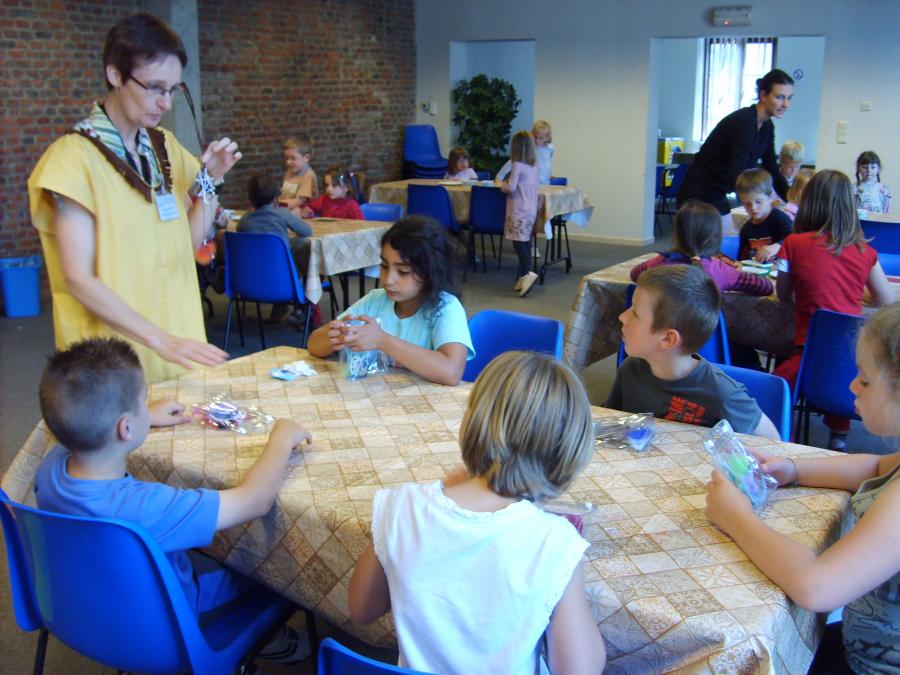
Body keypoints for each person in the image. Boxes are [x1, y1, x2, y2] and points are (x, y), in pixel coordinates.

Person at [33, 337, 313, 662]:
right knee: (271, 565)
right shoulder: (147, 506)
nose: (146, 404)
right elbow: (254, 501)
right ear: (125, 427)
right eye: (143, 400)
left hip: (78, 602)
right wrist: (281, 438)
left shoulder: (51, 465)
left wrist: (144, 417)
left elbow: (94, 434)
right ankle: (272, 639)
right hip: (170, 627)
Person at [347, 351, 606, 675]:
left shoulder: (401, 505)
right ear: (569, 452)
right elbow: (580, 671)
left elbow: (361, 608)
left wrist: (441, 486)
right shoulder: (554, 542)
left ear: (471, 421)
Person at [27, 12, 236, 383]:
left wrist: (212, 180)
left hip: (178, 342)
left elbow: (187, 241)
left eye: (173, 90)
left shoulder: (165, 148)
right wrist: (160, 339)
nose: (166, 103)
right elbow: (78, 278)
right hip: (112, 361)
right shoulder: (72, 159)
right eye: (155, 87)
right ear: (115, 75)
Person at [706, 303, 900, 675]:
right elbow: (875, 466)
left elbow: (817, 587)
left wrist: (738, 518)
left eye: (865, 379)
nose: (851, 385)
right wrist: (792, 470)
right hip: (863, 640)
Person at [773, 169, 893, 450]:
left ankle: (782, 437)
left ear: (809, 203)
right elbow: (887, 300)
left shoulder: (792, 244)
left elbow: (782, 294)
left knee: (776, 386)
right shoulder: (864, 250)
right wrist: (858, 292)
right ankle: (838, 434)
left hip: (807, 355)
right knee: (837, 365)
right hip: (850, 358)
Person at [597, 265, 780, 439]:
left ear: (668, 339)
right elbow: (613, 425)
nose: (622, 316)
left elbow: (773, 441)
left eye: (635, 313)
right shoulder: (631, 369)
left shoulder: (722, 394)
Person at [307, 216, 474, 386]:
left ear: (431, 272)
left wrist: (383, 340)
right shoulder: (376, 300)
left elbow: (451, 372)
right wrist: (335, 335)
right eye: (384, 266)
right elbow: (313, 344)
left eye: (403, 271)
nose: (388, 280)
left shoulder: (445, 308)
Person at [677, 69, 794, 234]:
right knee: (703, 250)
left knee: (723, 245)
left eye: (789, 98)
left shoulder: (767, 127)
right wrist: (763, 201)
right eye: (779, 97)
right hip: (697, 193)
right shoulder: (744, 122)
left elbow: (772, 170)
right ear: (763, 95)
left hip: (717, 194)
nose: (786, 104)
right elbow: (737, 174)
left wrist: (792, 202)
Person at [631, 200, 774, 296]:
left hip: (662, 337)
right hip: (706, 339)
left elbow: (635, 274)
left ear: (678, 234)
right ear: (715, 237)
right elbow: (765, 287)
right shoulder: (719, 269)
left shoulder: (660, 262)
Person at [237, 173, 314, 325]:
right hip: (285, 280)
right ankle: (301, 306)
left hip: (250, 282)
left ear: (251, 199)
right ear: (276, 197)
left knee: (275, 256)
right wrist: (295, 217)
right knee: (303, 250)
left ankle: (280, 305)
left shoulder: (244, 221)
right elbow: (306, 232)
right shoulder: (283, 215)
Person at [500, 130, 540, 297]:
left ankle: (527, 273)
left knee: (518, 244)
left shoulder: (517, 166)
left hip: (518, 209)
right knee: (524, 242)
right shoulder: (533, 167)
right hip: (530, 210)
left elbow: (511, 187)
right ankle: (525, 274)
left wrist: (501, 184)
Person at [735, 168, 793, 262]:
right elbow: (742, 259)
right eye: (747, 204)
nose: (753, 208)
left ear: (770, 197)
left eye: (758, 202)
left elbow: (795, 239)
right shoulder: (746, 229)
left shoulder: (779, 218)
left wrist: (778, 245)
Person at [497, 119, 554, 185]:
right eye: (535, 137)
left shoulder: (550, 148)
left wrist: (549, 174)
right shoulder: (529, 148)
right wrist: (500, 176)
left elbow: (548, 161)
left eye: (541, 138)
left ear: (547, 138)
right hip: (533, 182)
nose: (537, 140)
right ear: (531, 134)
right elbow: (514, 160)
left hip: (546, 183)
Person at [279, 135, 318, 213]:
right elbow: (283, 194)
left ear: (306, 157)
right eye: (287, 158)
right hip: (286, 208)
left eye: (293, 158)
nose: (288, 162)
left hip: (302, 212)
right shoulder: (289, 172)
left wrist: (278, 205)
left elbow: (300, 201)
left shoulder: (308, 175)